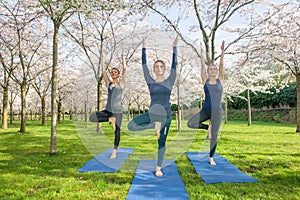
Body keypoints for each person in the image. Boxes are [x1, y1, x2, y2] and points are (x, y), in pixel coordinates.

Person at [128, 36, 178, 177]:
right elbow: (143, 66)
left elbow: (175, 65)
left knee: (161, 142)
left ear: (164, 69)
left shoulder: (169, 81)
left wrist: (174, 47)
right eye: (156, 66)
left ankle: (158, 167)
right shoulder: (150, 81)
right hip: (152, 115)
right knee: (131, 126)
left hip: (166, 116)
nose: (159, 68)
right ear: (154, 69)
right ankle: (153, 126)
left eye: (161, 66)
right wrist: (143, 48)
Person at [187, 40, 225, 166]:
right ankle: (207, 127)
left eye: (214, 69)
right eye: (211, 69)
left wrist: (222, 51)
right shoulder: (205, 81)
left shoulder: (220, 80)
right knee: (191, 123)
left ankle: (211, 158)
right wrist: (202, 52)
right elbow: (202, 67)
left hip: (217, 112)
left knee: (214, 135)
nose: (213, 70)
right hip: (206, 110)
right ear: (208, 72)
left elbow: (221, 66)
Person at [89, 49, 126, 159]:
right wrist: (103, 57)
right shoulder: (108, 83)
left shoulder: (121, 83)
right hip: (109, 110)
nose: (113, 73)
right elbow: (103, 70)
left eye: (115, 72)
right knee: (92, 117)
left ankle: (114, 151)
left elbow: (124, 69)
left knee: (117, 132)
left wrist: (123, 57)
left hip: (118, 111)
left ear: (118, 75)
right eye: (112, 72)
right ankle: (110, 120)